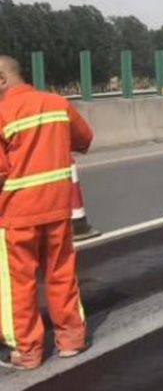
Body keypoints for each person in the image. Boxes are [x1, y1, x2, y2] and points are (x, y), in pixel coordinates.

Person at [0, 56, 93, 370]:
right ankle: (71, 340)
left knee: (18, 285)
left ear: (2, 79)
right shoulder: (57, 104)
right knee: (61, 273)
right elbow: (84, 139)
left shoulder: (2, 113)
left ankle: (27, 352)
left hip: (16, 215)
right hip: (57, 209)